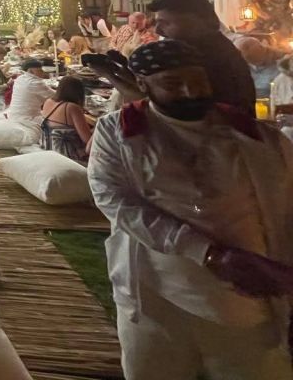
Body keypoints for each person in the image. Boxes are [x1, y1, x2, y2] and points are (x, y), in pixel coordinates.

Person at [88, 40, 293, 380]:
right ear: (142, 84)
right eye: (173, 83)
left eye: (198, 81)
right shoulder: (118, 132)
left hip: (244, 298)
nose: (190, 92)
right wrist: (208, 253)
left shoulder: (257, 138)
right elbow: (114, 199)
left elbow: (286, 210)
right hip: (156, 295)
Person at [89, 0, 256, 115]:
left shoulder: (208, 56)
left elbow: (151, 105)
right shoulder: (203, 48)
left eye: (165, 23)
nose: (158, 30)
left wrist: (109, 75)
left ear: (199, 21)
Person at [40, 75, 92, 160]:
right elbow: (87, 139)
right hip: (67, 156)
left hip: (47, 149)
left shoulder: (48, 101)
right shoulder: (72, 107)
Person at [4, 58, 53, 127]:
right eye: (40, 70)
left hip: (13, 115)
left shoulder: (20, 78)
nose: (42, 72)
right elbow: (55, 96)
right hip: (27, 119)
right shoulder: (35, 82)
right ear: (30, 71)